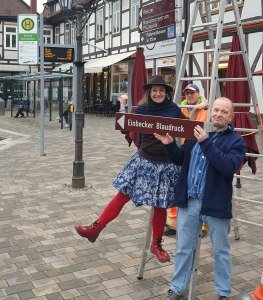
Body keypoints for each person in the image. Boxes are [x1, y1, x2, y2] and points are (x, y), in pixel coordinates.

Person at [74, 76, 184, 263]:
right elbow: (125, 125)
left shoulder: (174, 110)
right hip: (143, 161)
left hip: (166, 164)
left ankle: (156, 243)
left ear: (167, 93)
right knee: (122, 195)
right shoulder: (141, 110)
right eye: (154, 90)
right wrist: (122, 106)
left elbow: (189, 128)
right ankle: (96, 228)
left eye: (161, 91)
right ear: (149, 92)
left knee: (160, 205)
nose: (158, 94)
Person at [156, 97, 245, 300]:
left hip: (215, 204)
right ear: (210, 111)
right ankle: (177, 288)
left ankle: (223, 293)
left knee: (221, 250)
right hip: (189, 202)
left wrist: (206, 142)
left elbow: (227, 166)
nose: (218, 114)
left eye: (224, 112)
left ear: (231, 117)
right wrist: (169, 145)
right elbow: (180, 159)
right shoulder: (195, 134)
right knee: (183, 248)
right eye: (216, 110)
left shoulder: (235, 141)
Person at [165, 83, 209, 237]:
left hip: (204, 151)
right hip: (186, 148)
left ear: (199, 93)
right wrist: (196, 109)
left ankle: (203, 227)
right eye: (187, 93)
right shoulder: (182, 107)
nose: (189, 96)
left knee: (201, 189)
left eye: (192, 93)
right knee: (179, 185)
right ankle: (172, 224)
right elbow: (187, 125)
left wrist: (199, 108)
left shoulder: (208, 106)